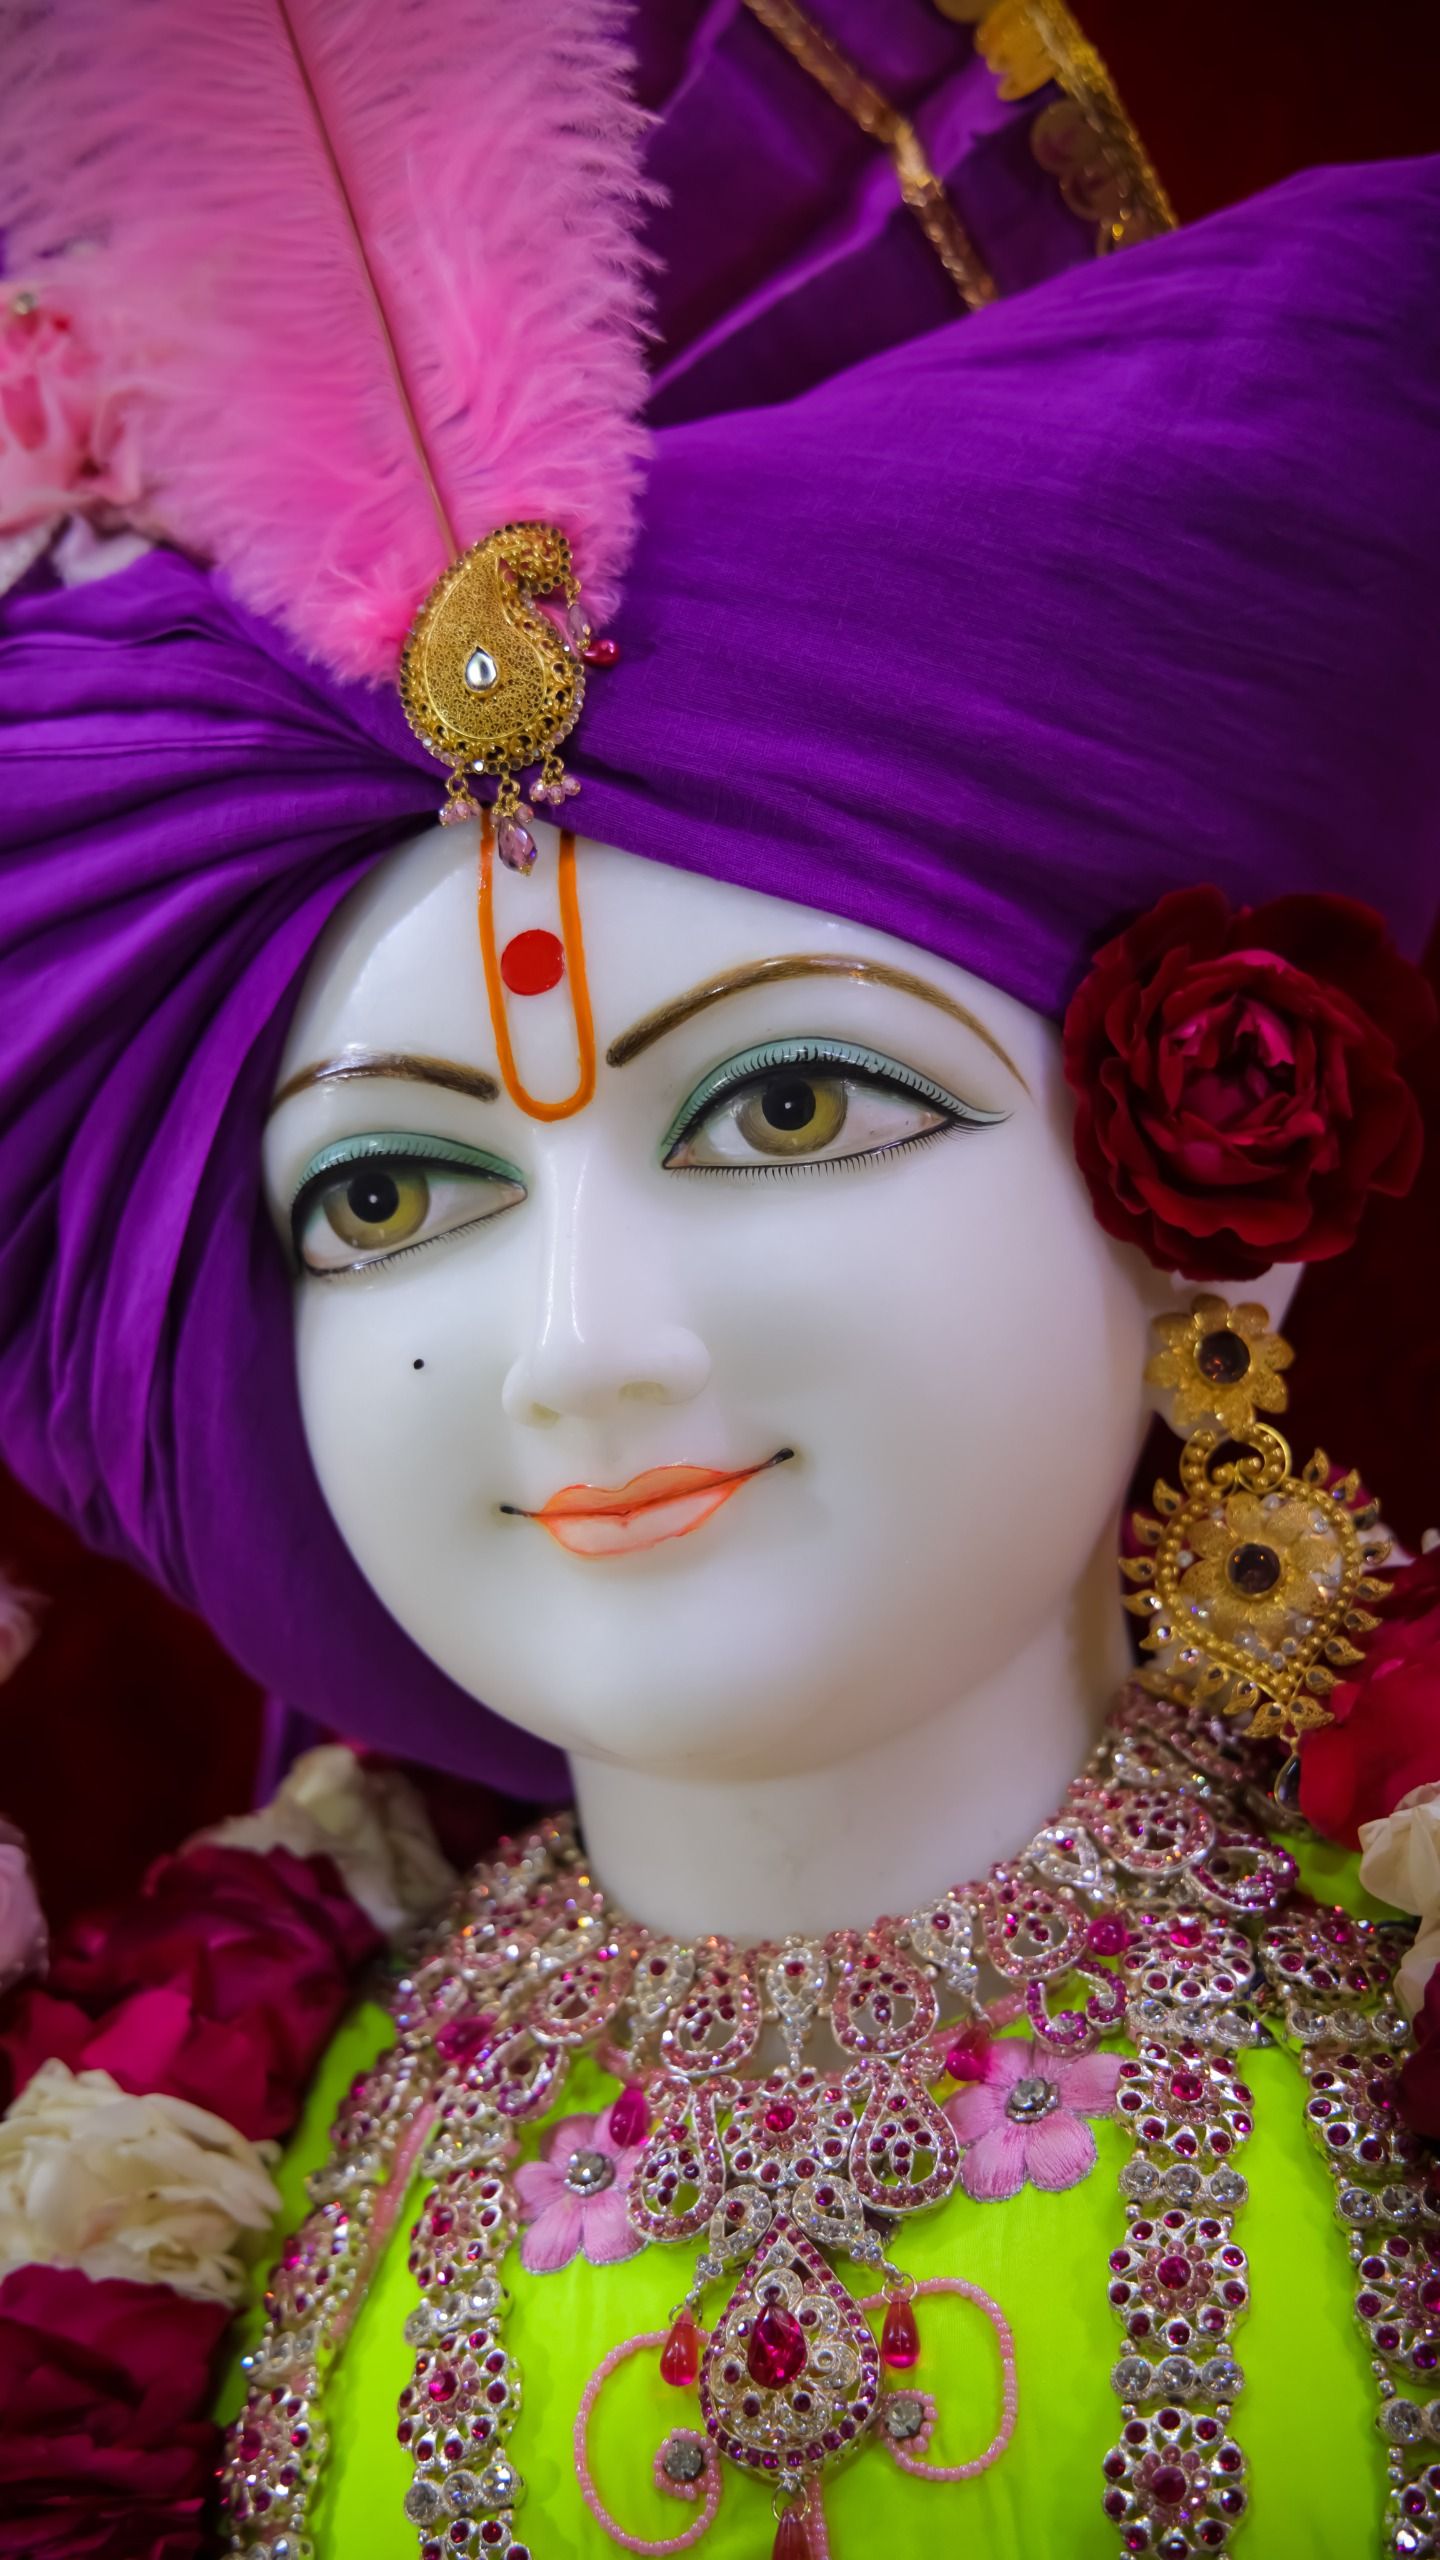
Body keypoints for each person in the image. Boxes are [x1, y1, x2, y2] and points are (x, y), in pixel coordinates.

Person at [2, 7, 1439, 2555]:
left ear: (1214, 1175)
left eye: (781, 1108)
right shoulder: (198, 2136)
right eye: (392, 1197)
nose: (584, 1346)